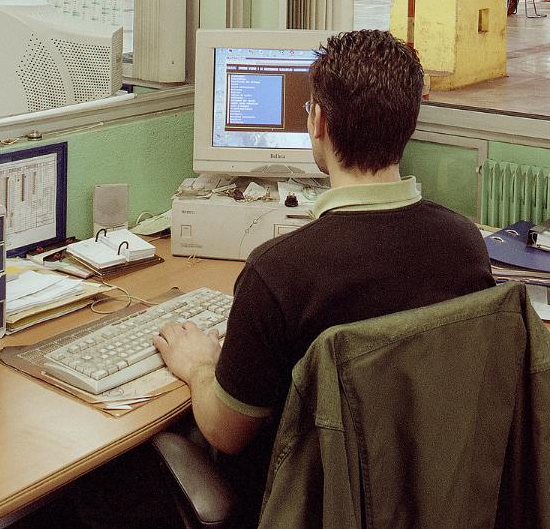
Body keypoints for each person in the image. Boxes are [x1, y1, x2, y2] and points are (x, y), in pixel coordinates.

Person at [150, 28, 495, 515]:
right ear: (409, 125)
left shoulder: (280, 271)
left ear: (318, 123)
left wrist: (199, 364)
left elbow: (226, 434)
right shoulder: (464, 243)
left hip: (303, 505)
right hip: (418, 497)